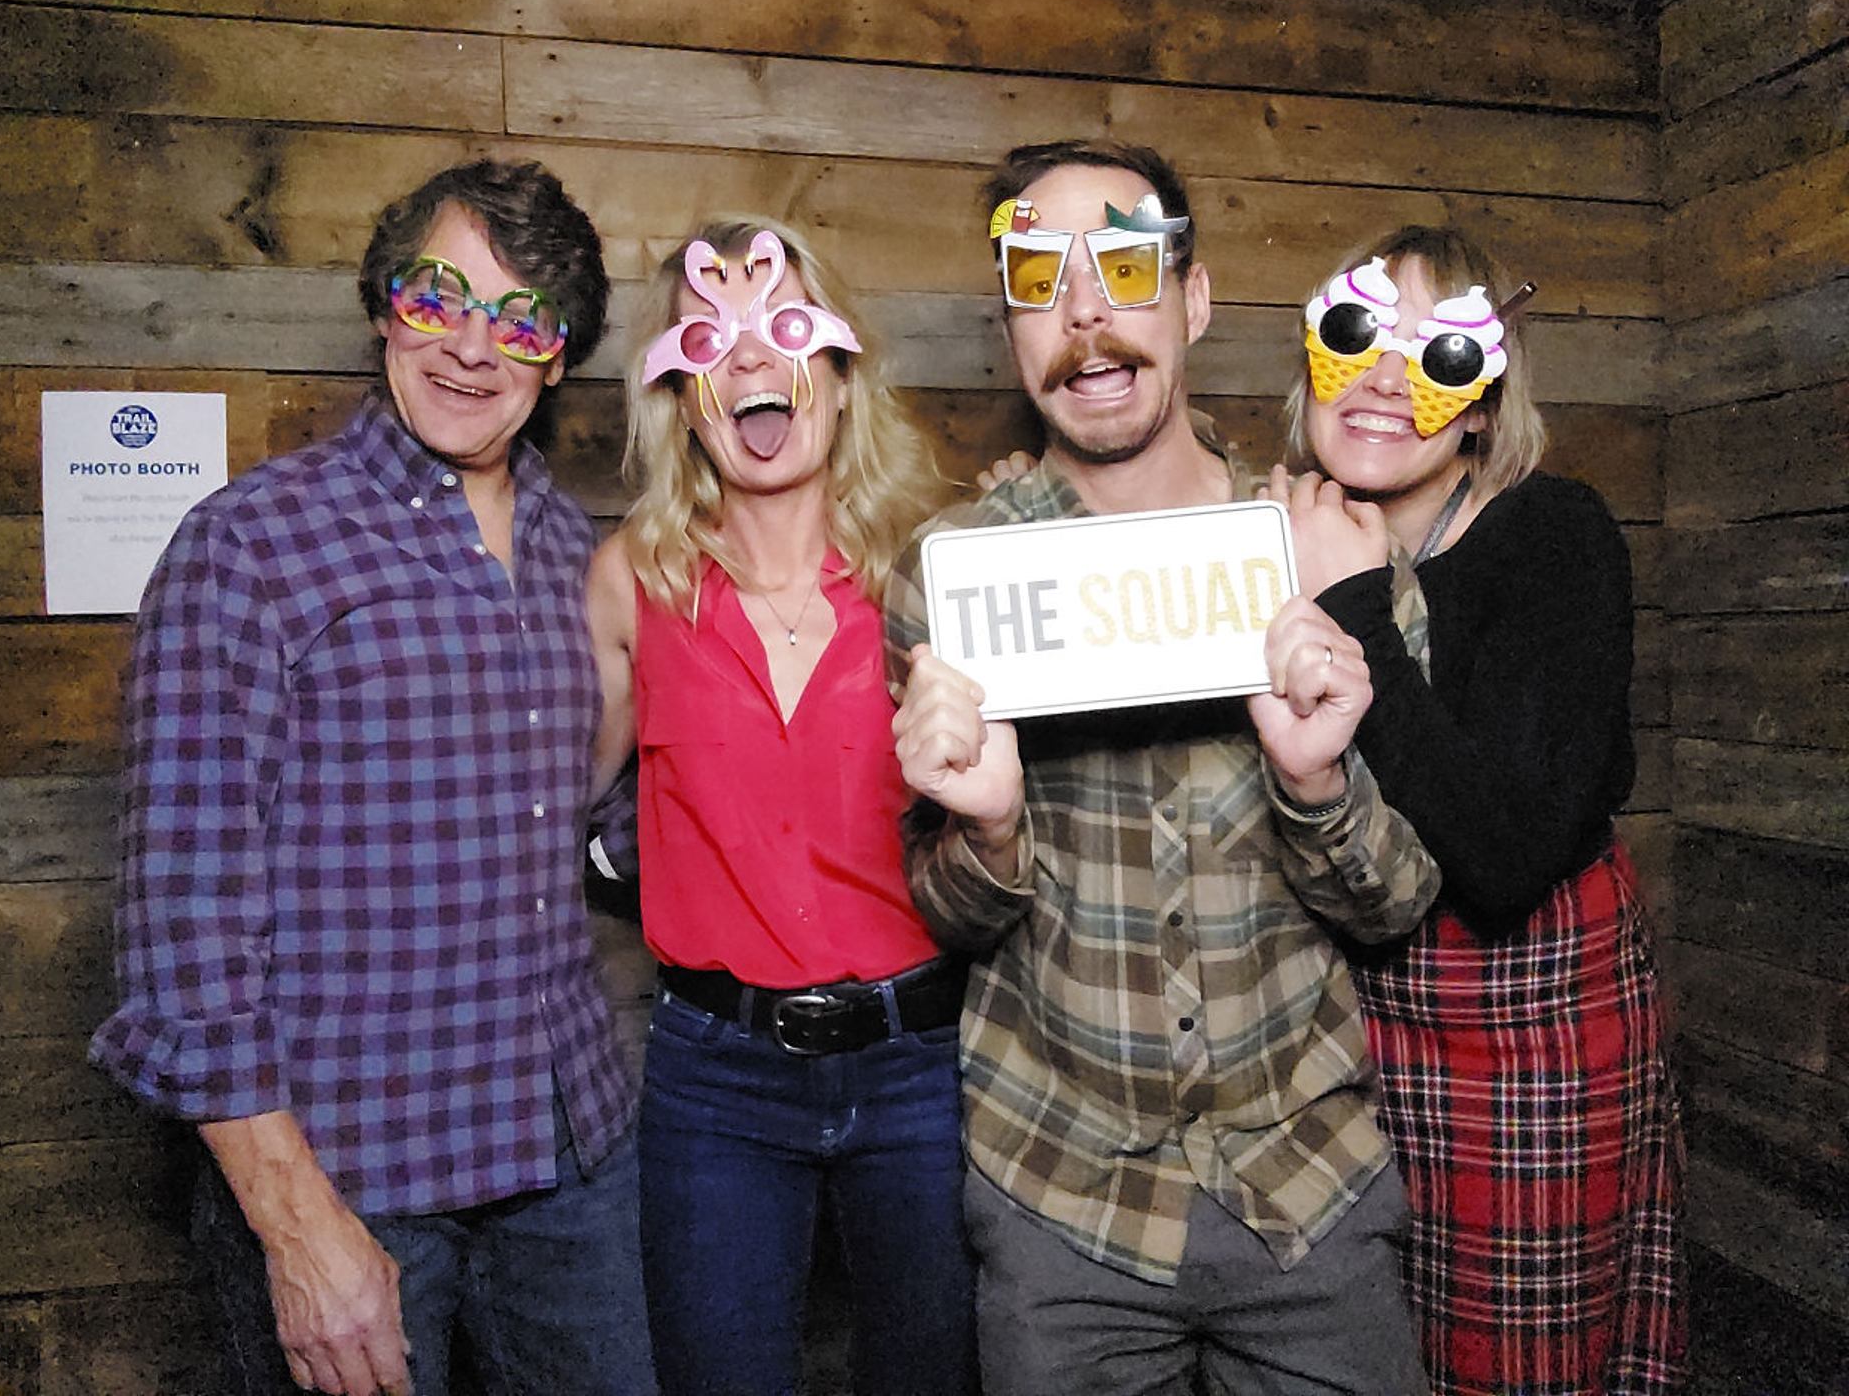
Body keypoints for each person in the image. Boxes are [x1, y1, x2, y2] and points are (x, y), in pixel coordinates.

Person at [89, 159, 655, 1396]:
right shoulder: (251, 545)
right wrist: (296, 1230)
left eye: (519, 319)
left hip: (572, 1163)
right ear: (382, 306)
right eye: (434, 300)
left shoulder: (589, 558)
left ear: (558, 355)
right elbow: (180, 938)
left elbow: (614, 827)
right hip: (352, 1180)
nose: (470, 348)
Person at [885, 137, 1440, 1395]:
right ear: (1014, 328)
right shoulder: (955, 576)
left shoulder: (1323, 554)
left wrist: (1317, 788)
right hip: (1059, 1203)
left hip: (1308, 1193)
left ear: (1193, 298)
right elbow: (949, 915)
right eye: (1040, 279)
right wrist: (983, 830)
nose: (1084, 312)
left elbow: (1398, 903)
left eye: (1125, 265)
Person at [1278, 226, 1686, 1393]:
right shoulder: (1267, 537)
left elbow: (1506, 854)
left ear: (1479, 405)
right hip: (1351, 1021)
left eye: (1437, 357)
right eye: (1356, 336)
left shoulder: (1553, 536)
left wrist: (1353, 604)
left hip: (1526, 1018)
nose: (1384, 382)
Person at [585, 217, 977, 1396]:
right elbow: (548, 796)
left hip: (924, 1066)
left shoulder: (939, 564)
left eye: (786, 327)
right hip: (718, 1078)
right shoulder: (629, 582)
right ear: (682, 400)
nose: (752, 362)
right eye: (712, 341)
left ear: (843, 380)